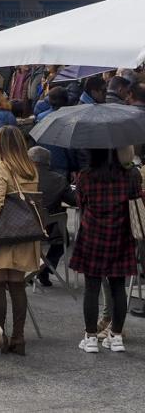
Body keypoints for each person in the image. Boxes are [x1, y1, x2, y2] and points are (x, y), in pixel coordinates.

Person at [0, 126, 40, 355]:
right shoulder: (30, 168)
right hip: (24, 234)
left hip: (1, 234)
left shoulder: (1, 167)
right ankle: (19, 338)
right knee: (17, 285)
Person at [71, 147, 142, 353]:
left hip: (92, 235)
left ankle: (91, 337)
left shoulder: (85, 176)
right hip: (121, 235)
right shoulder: (130, 176)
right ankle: (117, 336)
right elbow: (136, 202)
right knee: (118, 287)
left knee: (91, 288)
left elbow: (80, 202)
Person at [30, 146, 76, 288]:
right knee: (64, 239)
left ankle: (31, 270)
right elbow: (74, 201)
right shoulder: (59, 179)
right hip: (51, 228)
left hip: (25, 228)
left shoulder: (22, 178)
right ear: (48, 162)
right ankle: (46, 266)